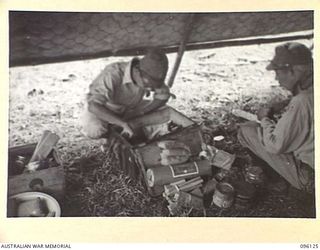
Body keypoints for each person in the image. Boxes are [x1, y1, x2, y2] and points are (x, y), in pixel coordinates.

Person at [237, 42, 314, 193]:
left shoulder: (302, 102)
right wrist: (287, 103)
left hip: (311, 176)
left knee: (246, 131)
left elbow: (275, 145)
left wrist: (265, 118)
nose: (276, 79)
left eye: (278, 72)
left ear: (293, 71)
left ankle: (274, 180)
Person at [80, 48, 171, 139]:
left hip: (130, 108)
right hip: (106, 107)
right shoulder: (112, 74)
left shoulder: (150, 75)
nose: (150, 88)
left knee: (164, 113)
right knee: (95, 129)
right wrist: (122, 123)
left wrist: (142, 112)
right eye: (147, 85)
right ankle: (111, 138)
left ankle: (127, 130)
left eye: (154, 86)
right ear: (137, 71)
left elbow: (163, 96)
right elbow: (94, 106)